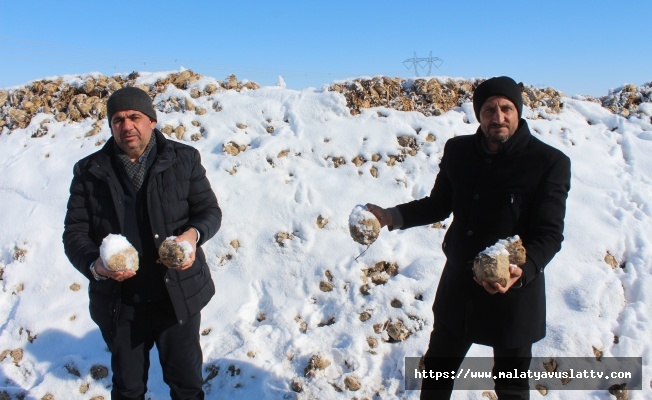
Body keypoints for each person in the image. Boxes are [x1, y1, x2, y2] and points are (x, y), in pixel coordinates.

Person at [366, 76, 571, 399]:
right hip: (459, 288)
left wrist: (524, 269)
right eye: (489, 109)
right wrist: (391, 216)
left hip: (514, 292)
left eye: (506, 108)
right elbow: (438, 205)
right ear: (478, 114)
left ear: (518, 111)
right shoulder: (459, 151)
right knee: (437, 373)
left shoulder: (548, 162)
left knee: (511, 385)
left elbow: (549, 233)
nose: (498, 117)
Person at [63, 86, 222, 400]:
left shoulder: (184, 159)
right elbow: (74, 233)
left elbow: (209, 211)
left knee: (187, 384)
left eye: (134, 117)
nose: (126, 126)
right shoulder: (89, 171)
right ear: (111, 126)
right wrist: (96, 265)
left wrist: (191, 236)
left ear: (152, 120)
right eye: (118, 120)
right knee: (128, 388)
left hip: (176, 297)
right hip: (121, 302)